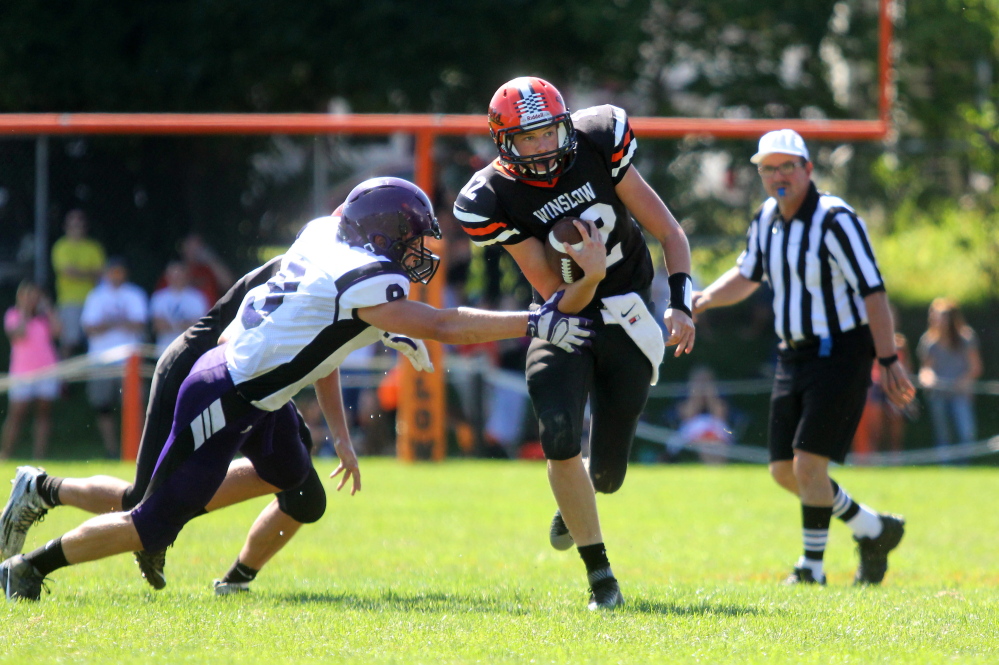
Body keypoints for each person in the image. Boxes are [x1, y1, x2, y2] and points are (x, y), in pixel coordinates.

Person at [0, 176, 593, 602]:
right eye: (411, 238)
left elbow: (322, 347)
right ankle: (27, 568)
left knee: (300, 491)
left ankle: (234, 580)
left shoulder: (325, 240)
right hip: (224, 394)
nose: (419, 252)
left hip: (264, 393)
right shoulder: (365, 277)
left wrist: (340, 434)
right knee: (148, 517)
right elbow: (442, 325)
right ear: (382, 236)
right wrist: (535, 320)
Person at [453, 77, 696, 610]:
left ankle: (578, 498)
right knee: (558, 432)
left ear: (565, 125)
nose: (542, 147)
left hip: (629, 313)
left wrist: (680, 301)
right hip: (564, 318)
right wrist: (585, 278)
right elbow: (553, 292)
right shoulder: (489, 197)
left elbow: (670, 233)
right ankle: (602, 578)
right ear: (503, 142)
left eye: (548, 133)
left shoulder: (598, 138)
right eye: (528, 138)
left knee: (607, 475)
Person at [692, 129, 916, 586]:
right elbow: (748, 271)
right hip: (792, 354)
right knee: (782, 471)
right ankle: (873, 528)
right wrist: (706, 298)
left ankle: (811, 569)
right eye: (769, 168)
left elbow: (873, 291)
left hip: (840, 351)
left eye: (787, 166)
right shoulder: (766, 219)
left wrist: (889, 358)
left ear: (807, 170)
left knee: (809, 466)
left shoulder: (836, 219)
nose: (778, 176)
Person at [80, 257, 149, 457]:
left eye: (119, 271)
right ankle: (111, 449)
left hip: (130, 362)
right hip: (100, 360)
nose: (115, 275)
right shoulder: (96, 296)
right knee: (103, 406)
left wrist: (107, 324)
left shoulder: (135, 294)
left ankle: (139, 449)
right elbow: (90, 328)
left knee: (134, 405)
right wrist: (119, 323)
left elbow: (139, 324)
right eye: (112, 271)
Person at [1, 280, 61, 460]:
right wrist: (25, 311)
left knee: (43, 414)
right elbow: (18, 333)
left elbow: (58, 331)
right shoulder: (13, 314)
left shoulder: (44, 318)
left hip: (47, 371)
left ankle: (39, 456)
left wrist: (48, 308)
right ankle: (5, 454)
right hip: (22, 372)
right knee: (16, 415)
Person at [916, 297, 982, 454]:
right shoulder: (929, 341)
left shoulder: (966, 338)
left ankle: (963, 467)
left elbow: (976, 367)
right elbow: (926, 369)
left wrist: (962, 381)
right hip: (939, 394)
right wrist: (928, 378)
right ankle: (946, 468)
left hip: (961, 394)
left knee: (966, 433)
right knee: (943, 435)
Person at [50, 209, 106, 358]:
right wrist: (89, 273)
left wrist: (77, 272)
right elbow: (67, 272)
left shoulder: (94, 247)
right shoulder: (60, 246)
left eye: (80, 225)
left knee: (94, 341)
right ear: (66, 227)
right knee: (68, 343)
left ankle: (92, 380)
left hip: (93, 302)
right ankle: (62, 381)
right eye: (73, 225)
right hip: (69, 302)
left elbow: (101, 273)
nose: (76, 228)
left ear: (85, 227)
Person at [150, 261, 210, 357]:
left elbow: (200, 326)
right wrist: (184, 324)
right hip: (164, 351)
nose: (177, 278)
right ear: (167, 276)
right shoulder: (159, 297)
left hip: (190, 350)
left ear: (186, 276)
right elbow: (158, 326)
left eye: (179, 275)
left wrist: (171, 325)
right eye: (173, 275)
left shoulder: (197, 298)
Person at [675, 366, 732, 465]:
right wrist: (695, 395)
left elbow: (720, 415)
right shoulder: (683, 392)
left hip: (715, 425)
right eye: (699, 380)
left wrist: (711, 396)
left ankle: (719, 469)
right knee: (705, 443)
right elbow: (687, 416)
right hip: (692, 426)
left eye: (706, 380)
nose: (702, 383)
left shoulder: (720, 392)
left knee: (716, 442)